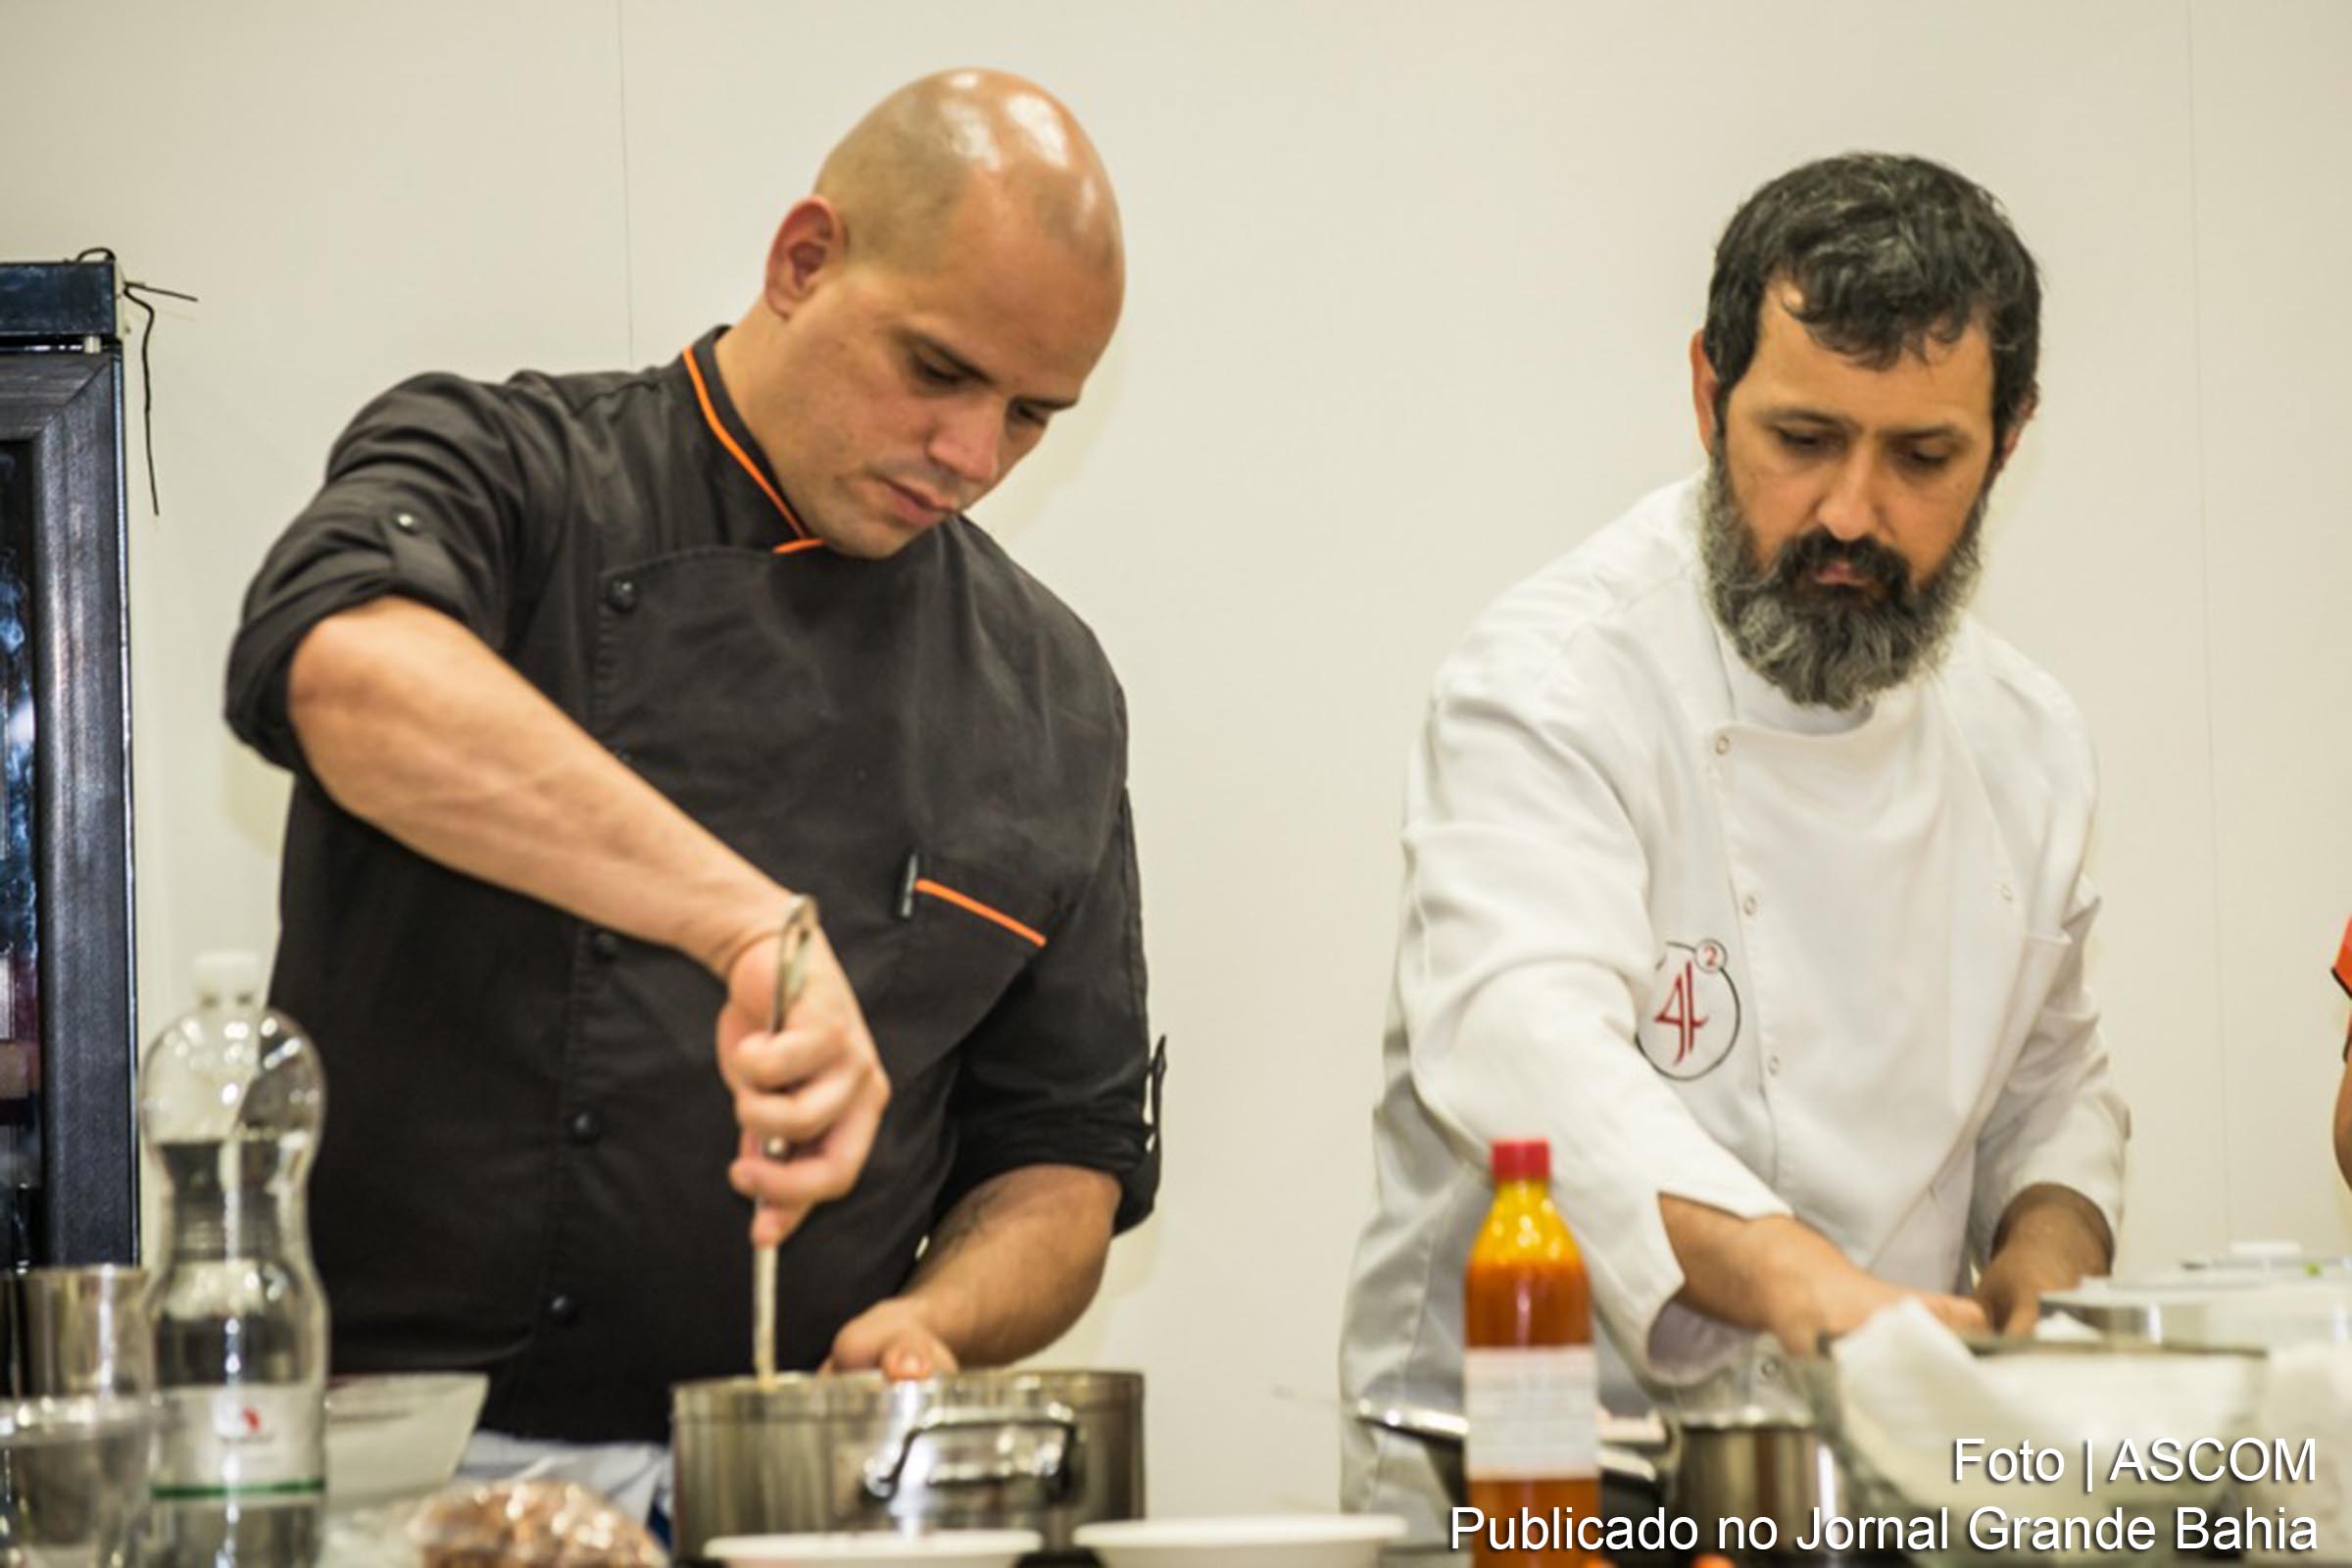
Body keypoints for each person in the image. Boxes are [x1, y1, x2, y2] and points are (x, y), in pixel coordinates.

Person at [223, 70, 1160, 1475]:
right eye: (940, 370)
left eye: (1033, 414)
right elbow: (338, 666)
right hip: (388, 1469)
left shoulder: (1052, 691)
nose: (973, 455)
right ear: (803, 260)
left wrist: (932, 1324)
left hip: (785, 1485)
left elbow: (1061, 1155)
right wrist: (740, 923)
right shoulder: (513, 472)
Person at [1340, 153, 2128, 1534]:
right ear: (1709, 394)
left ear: (2008, 442)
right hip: (1545, 1477)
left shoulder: (2029, 736)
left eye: (1923, 458)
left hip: (1870, 1479)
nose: (1849, 514)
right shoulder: (1556, 681)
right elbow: (1526, 1053)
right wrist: (1809, 1289)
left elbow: (2051, 1089)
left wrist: (2046, 1272)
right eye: (1802, 438)